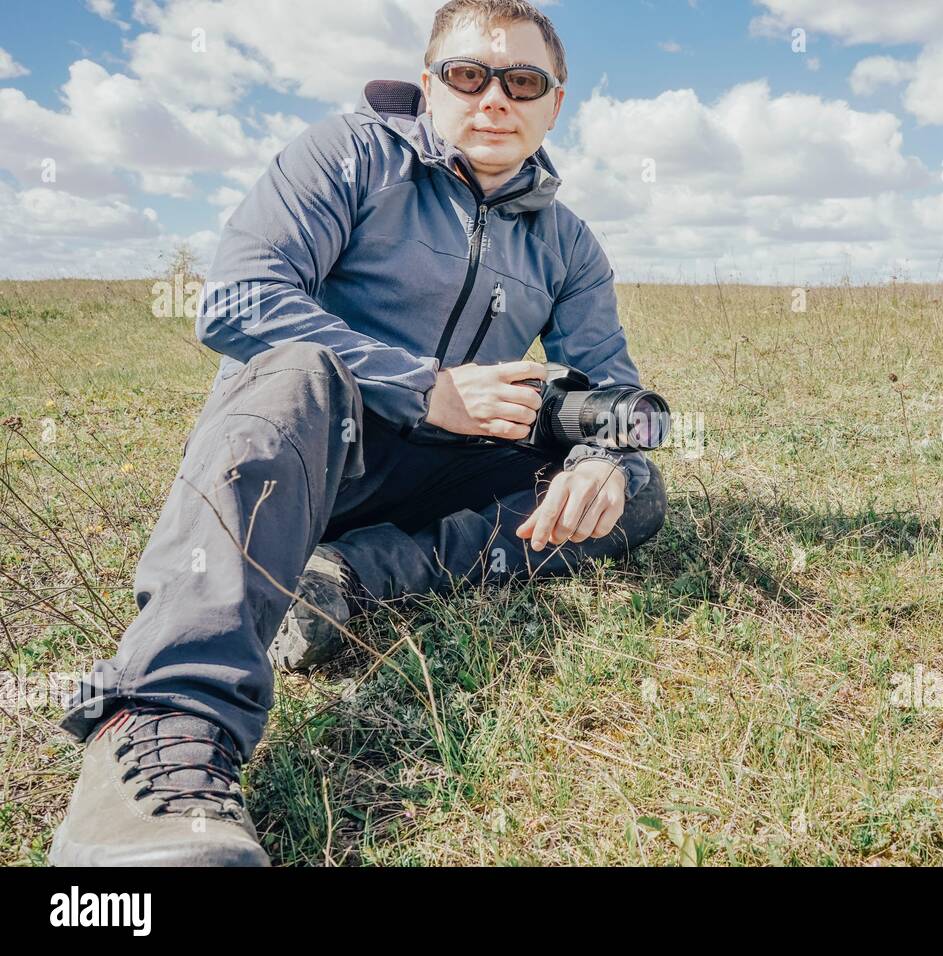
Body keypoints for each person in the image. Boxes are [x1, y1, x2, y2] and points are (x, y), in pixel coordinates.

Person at [49, 0, 666, 867]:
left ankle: (352, 576)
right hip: (304, 456)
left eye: (522, 81)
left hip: (442, 466)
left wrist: (602, 451)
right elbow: (239, 300)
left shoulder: (567, 241)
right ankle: (158, 728)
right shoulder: (347, 153)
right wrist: (426, 387)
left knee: (630, 493)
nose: (494, 98)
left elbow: (611, 380)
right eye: (468, 75)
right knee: (299, 363)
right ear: (429, 84)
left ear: (553, 105)